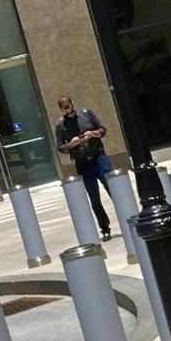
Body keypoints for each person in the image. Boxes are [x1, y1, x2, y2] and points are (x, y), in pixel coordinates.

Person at [55, 95, 114, 239]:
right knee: (94, 197)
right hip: (83, 163)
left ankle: (127, 216)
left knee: (113, 188)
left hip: (99, 158)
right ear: (61, 109)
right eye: (64, 108)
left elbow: (103, 130)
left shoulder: (86, 113)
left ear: (73, 103)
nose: (68, 110)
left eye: (69, 106)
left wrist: (93, 133)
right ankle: (105, 227)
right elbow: (61, 147)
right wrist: (71, 144)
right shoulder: (60, 125)